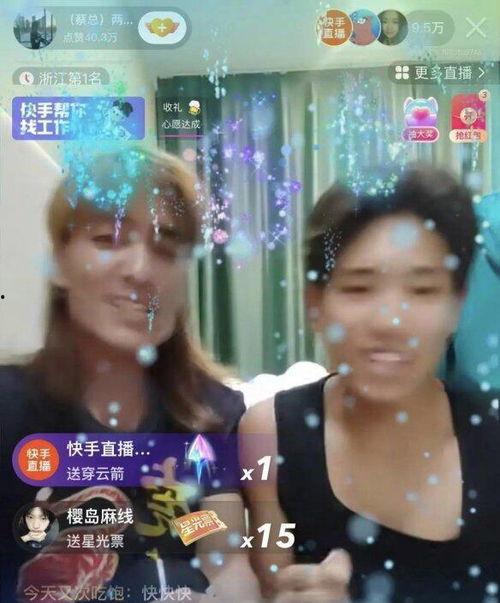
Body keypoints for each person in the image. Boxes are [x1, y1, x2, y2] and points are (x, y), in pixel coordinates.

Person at [0, 147, 259, 603]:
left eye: (166, 248)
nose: (142, 271)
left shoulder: (213, 413)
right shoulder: (10, 407)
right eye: (108, 239)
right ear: (59, 264)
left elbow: (224, 556)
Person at [240, 169, 500, 602]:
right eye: (359, 288)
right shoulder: (269, 434)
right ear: (315, 303)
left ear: (456, 305)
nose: (390, 322)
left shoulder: (492, 437)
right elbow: (273, 581)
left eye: (422, 290)